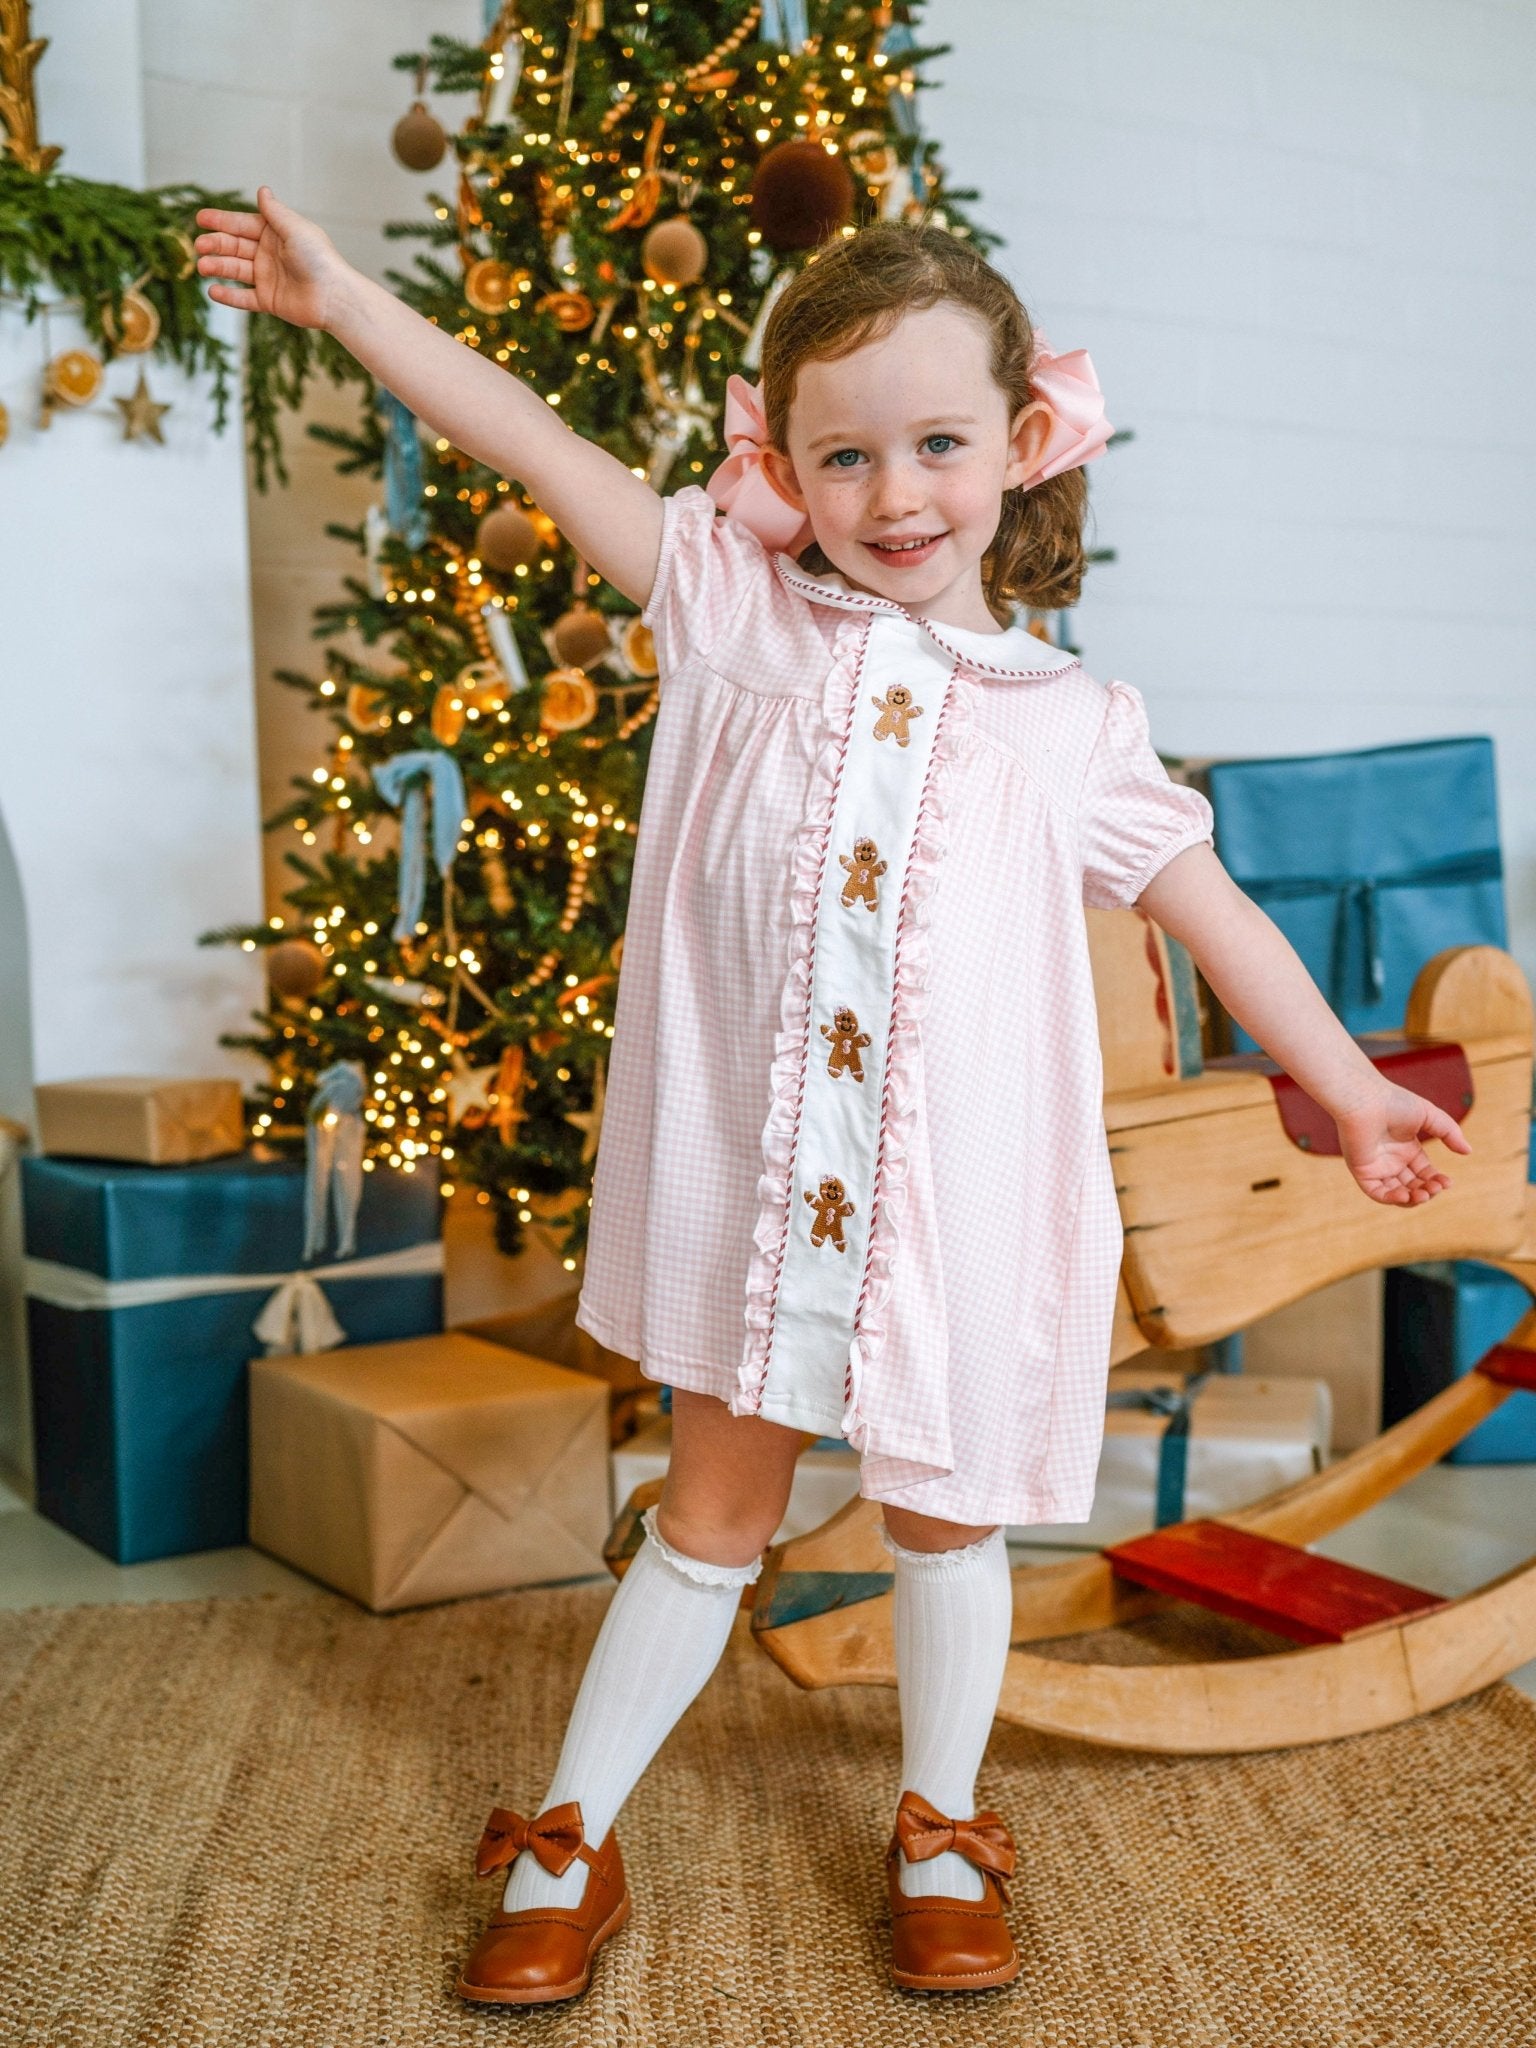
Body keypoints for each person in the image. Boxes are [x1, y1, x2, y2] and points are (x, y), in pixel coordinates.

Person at [196, 196, 1471, 2004]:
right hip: (756, 1197)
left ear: (1022, 446)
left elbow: (1217, 910)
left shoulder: (1068, 722)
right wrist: (344, 304)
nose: (897, 496)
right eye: (847, 454)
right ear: (778, 460)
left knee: (951, 1521)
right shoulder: (727, 613)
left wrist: (1344, 1091)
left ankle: (943, 1825)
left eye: (939, 446)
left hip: (956, 1209)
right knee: (710, 1520)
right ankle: (572, 1832)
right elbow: (530, 434)